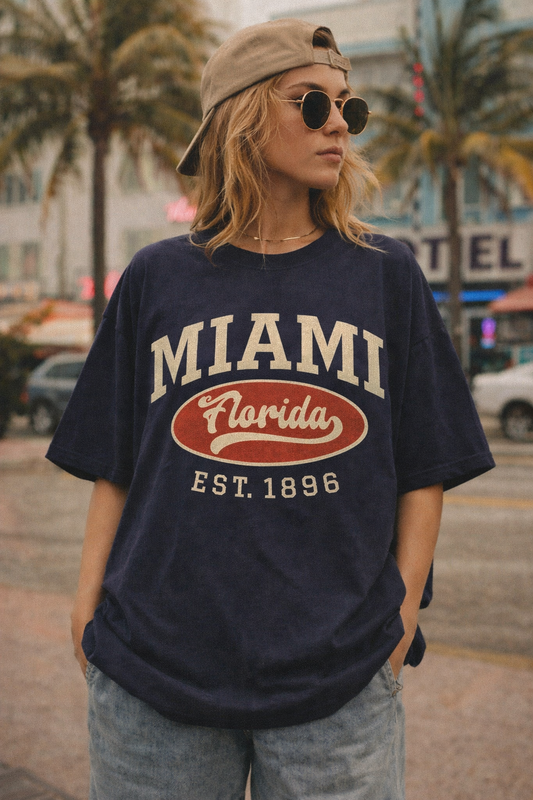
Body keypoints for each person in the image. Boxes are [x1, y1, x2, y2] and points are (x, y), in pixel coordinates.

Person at [47, 18, 494, 800]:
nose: (337, 126)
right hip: (152, 674)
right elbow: (115, 462)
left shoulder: (385, 275)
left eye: (347, 109)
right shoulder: (156, 278)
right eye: (311, 103)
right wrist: (88, 608)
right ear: (244, 118)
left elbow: (425, 465)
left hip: (339, 681)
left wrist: (397, 615)